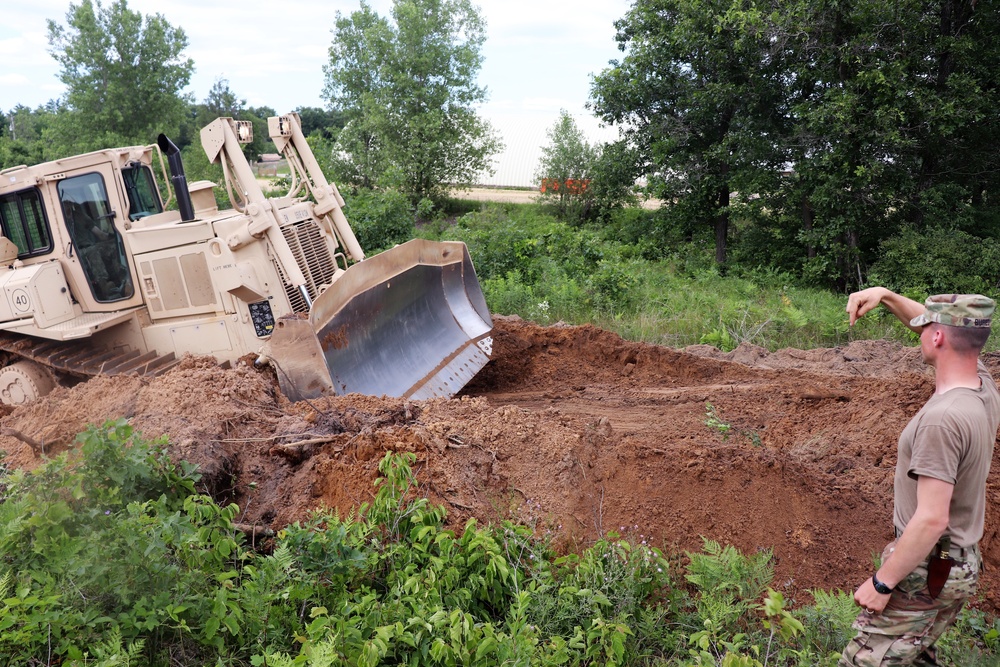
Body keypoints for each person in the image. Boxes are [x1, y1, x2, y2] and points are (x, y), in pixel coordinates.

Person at [840, 288, 1000, 666]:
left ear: (939, 336)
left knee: (864, 661)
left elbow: (931, 517)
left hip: (926, 568)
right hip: (957, 562)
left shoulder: (941, 420)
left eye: (926, 326)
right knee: (913, 657)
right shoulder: (983, 387)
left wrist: (883, 582)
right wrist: (887, 296)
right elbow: (942, 331)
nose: (922, 331)